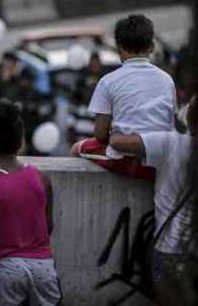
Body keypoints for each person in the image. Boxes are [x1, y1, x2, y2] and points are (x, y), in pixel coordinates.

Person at [108, 95, 198, 306]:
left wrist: (116, 127)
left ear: (190, 118)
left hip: (170, 252)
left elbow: (117, 143)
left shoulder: (171, 143)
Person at [0, 99, 61, 306]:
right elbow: (48, 226)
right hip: (44, 267)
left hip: (6, 267)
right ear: (21, 141)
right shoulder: (42, 178)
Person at [71, 15, 177, 181]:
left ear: (119, 48)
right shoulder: (167, 80)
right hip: (160, 160)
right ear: (151, 47)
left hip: (127, 160)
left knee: (76, 148)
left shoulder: (108, 81)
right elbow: (170, 122)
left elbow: (100, 134)